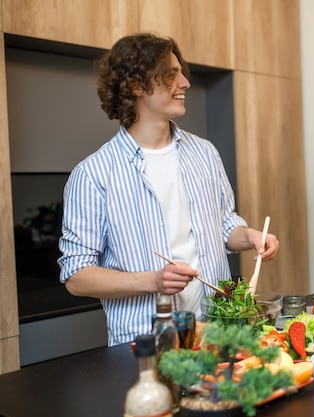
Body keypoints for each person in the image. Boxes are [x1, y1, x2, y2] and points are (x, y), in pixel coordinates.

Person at [58, 33, 279, 346]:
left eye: (182, 72)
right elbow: (76, 276)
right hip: (145, 342)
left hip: (217, 333)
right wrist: (154, 280)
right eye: (171, 74)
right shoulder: (93, 174)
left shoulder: (204, 153)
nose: (185, 82)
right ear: (135, 85)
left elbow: (224, 224)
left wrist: (251, 237)